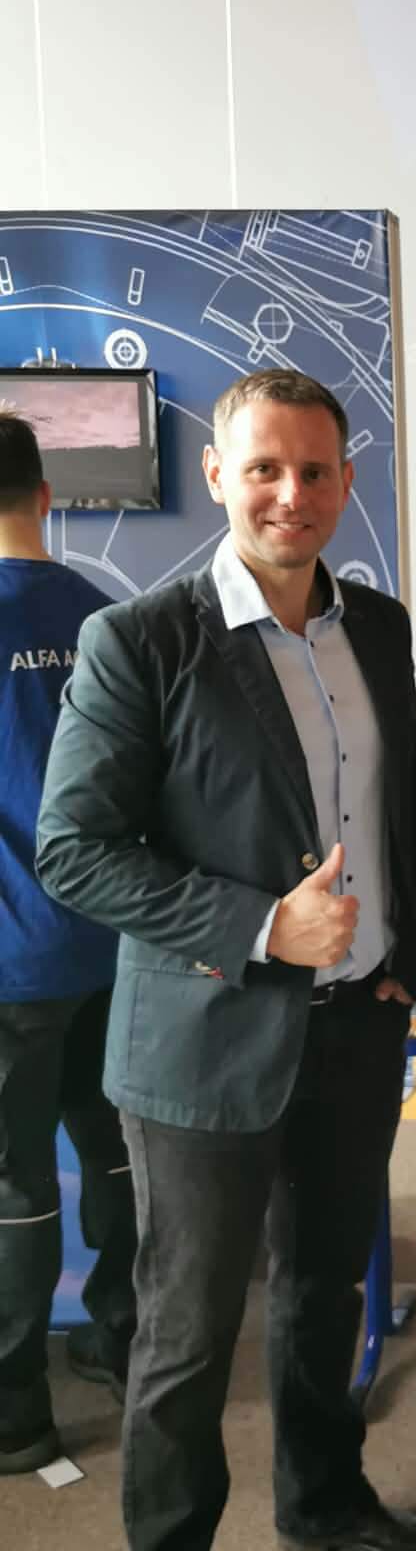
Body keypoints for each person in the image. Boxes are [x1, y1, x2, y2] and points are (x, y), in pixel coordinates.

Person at [35, 369, 416, 1551]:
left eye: (317, 470)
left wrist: (406, 949)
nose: (293, 494)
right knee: (186, 1339)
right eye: (265, 468)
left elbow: (402, 800)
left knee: (328, 1286)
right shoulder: (142, 640)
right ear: (217, 474)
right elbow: (76, 848)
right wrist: (262, 925)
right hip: (205, 1042)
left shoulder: (377, 624)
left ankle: (323, 1497)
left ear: (348, 481)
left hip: (356, 1028)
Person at [0, 409, 137, 1475]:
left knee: (14, 1183)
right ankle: (126, 1339)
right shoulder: (109, 619)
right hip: (113, 942)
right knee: (115, 1147)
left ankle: (18, 1419)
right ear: (47, 496)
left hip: (10, 959)